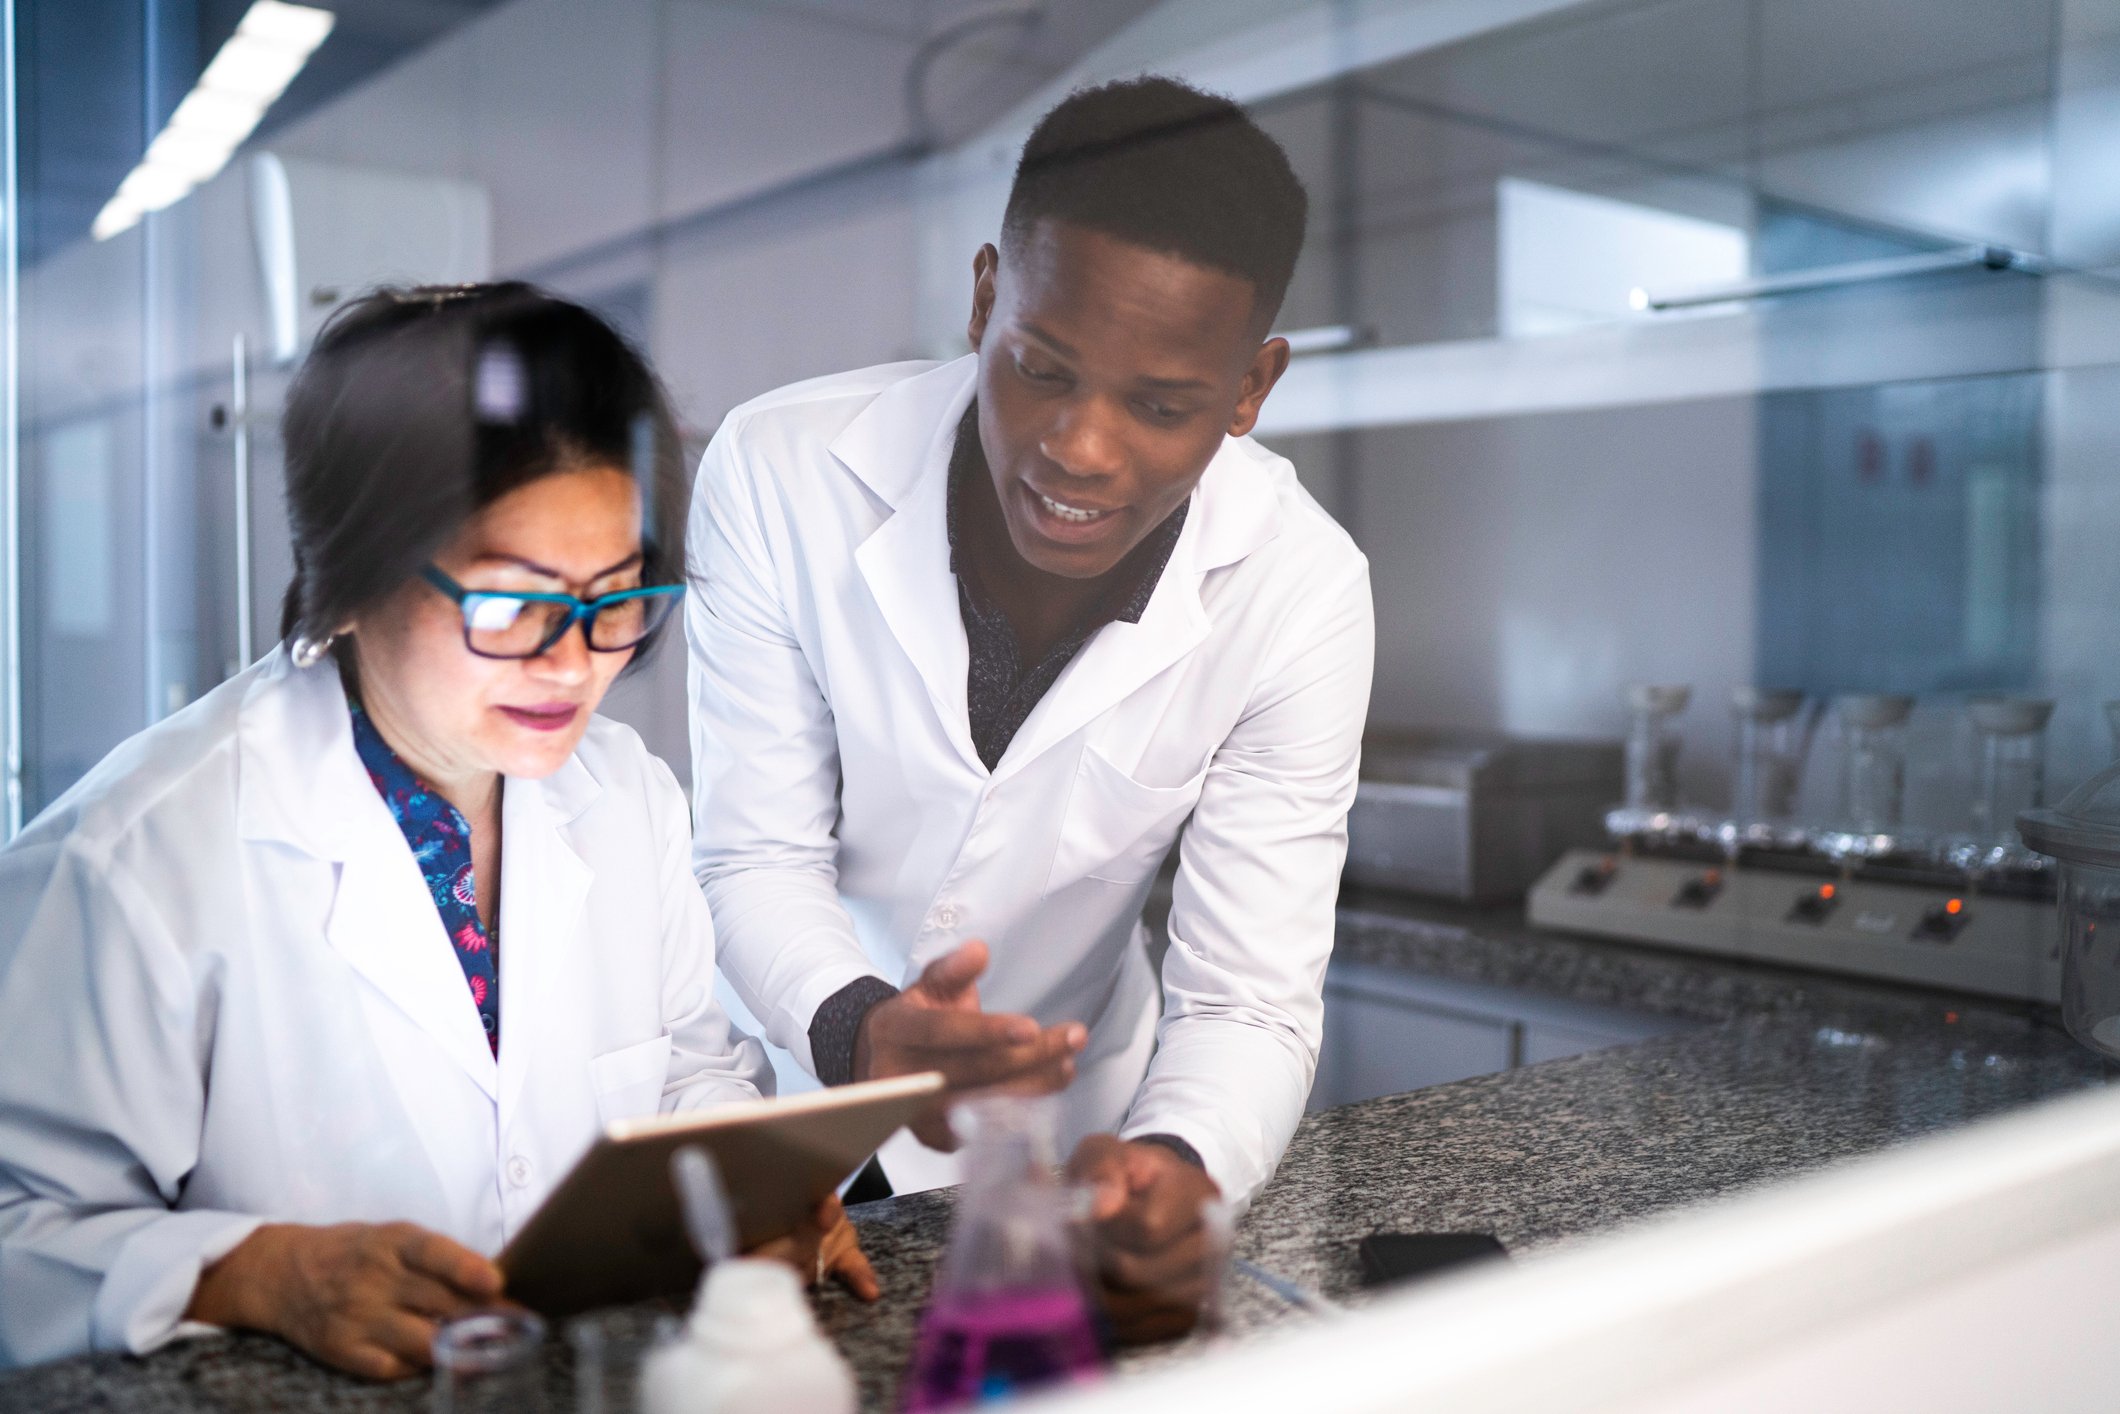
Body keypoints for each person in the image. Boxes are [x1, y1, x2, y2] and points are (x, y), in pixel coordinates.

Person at [0, 284, 874, 1376]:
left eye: (616, 597)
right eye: (509, 603)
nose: (572, 663)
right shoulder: (134, 858)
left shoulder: (625, 795)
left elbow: (686, 1070)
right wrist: (254, 1269)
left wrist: (743, 1193)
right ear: (349, 579)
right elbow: (17, 1231)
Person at [688, 77, 1373, 1335]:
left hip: (1066, 1157)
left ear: (1249, 387)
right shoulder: (777, 469)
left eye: (1160, 406)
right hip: (787, 1086)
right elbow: (751, 854)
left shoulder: (1301, 587)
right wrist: (857, 1031)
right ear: (985, 293)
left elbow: (1246, 998)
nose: (1080, 448)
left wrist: (1179, 1165)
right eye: (1041, 369)